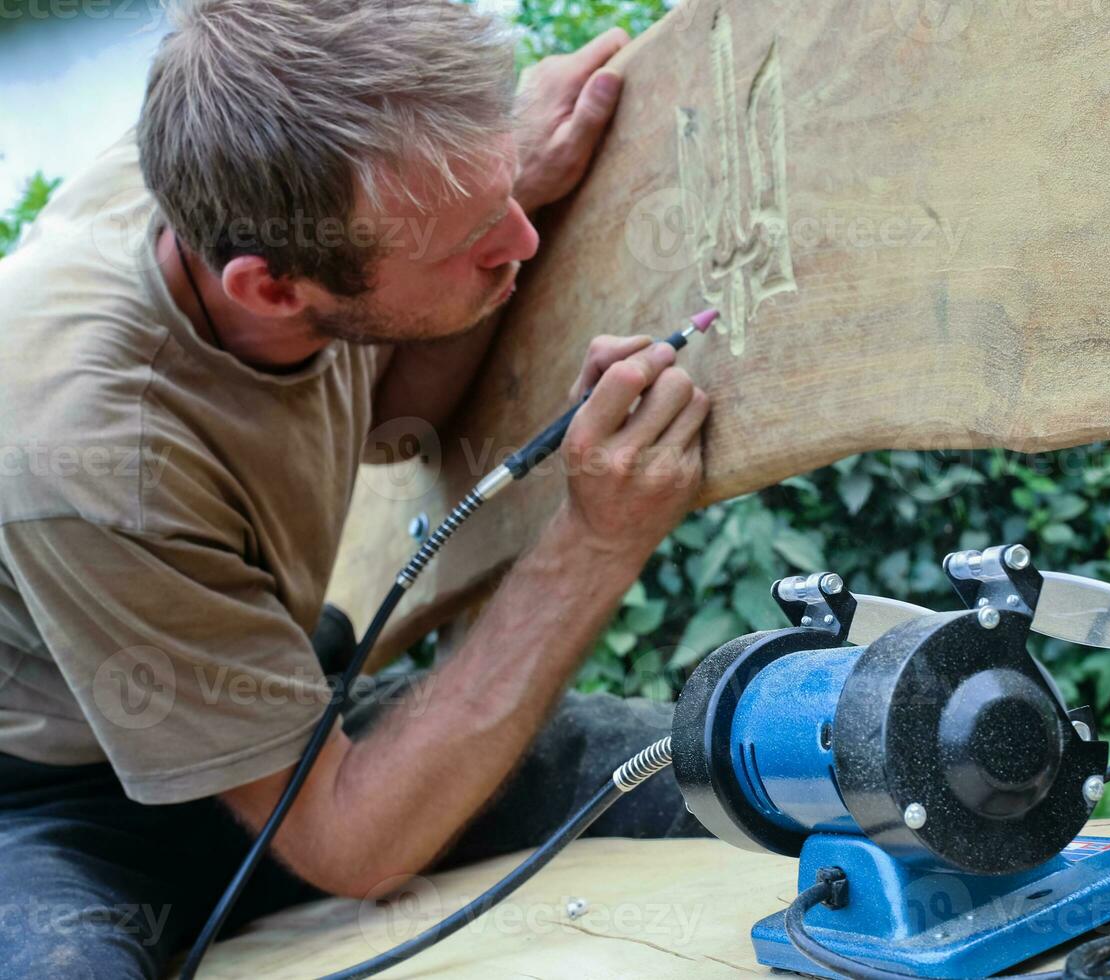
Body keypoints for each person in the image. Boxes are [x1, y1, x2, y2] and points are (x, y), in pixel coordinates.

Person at [0, 2, 711, 976]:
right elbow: (347, 840)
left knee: (717, 766)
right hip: (53, 800)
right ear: (271, 289)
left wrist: (494, 178)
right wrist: (594, 541)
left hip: (271, 689)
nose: (522, 239)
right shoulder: (86, 449)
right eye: (474, 234)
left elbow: (384, 416)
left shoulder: (264, 151)